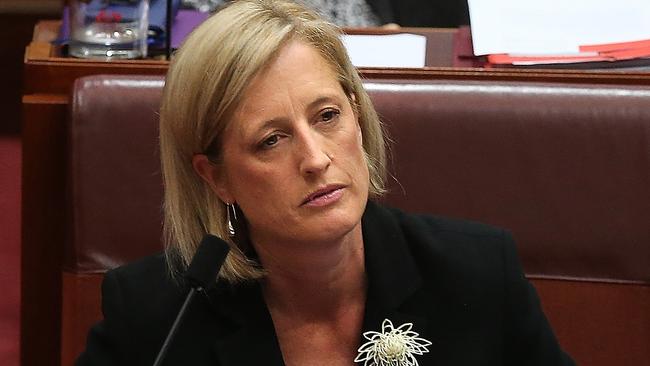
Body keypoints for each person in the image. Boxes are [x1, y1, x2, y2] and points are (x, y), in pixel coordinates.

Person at [76, 1, 574, 365]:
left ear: (357, 116)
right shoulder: (157, 317)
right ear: (217, 176)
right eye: (271, 140)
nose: (315, 159)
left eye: (328, 116)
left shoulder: (478, 276)